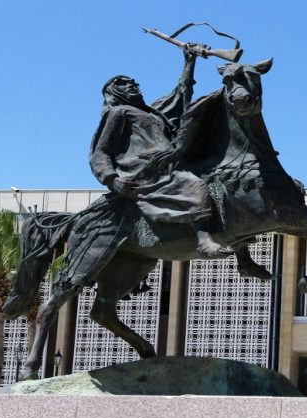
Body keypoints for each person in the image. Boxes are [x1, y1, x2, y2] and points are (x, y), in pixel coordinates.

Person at [89, 44, 232, 258]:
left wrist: (189, 61)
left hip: (172, 163)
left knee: (224, 180)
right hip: (148, 173)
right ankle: (204, 241)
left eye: (133, 82)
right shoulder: (119, 112)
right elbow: (100, 152)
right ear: (113, 92)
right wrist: (112, 179)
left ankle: (243, 255)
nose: (132, 85)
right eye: (123, 84)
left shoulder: (154, 112)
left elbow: (181, 93)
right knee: (192, 184)